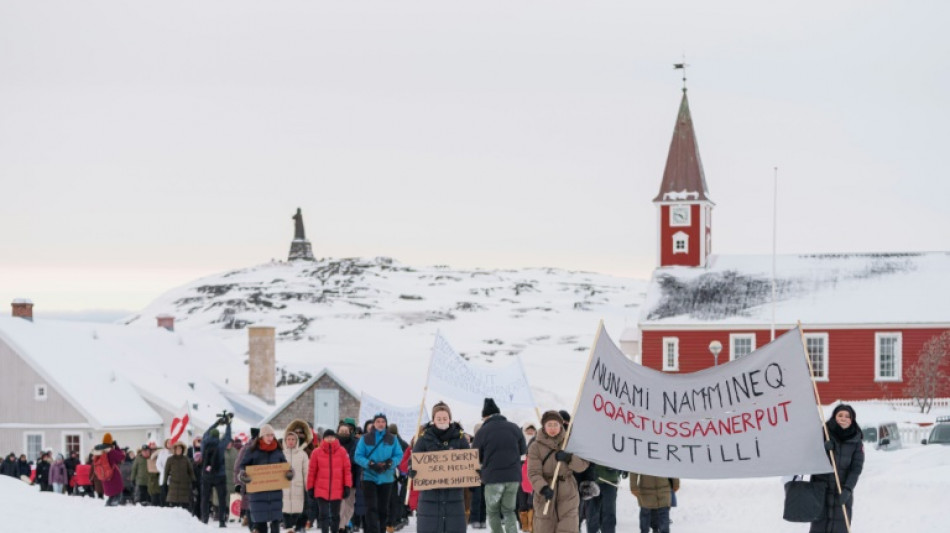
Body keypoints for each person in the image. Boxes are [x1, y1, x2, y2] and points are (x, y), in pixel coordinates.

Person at [409, 401, 469, 533]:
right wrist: (412, 469)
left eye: (445, 418)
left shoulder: (460, 438)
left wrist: (474, 471)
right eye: (439, 418)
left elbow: (469, 461)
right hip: (429, 497)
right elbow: (413, 460)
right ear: (433, 420)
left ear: (450, 418)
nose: (442, 421)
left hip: (454, 497)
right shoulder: (424, 439)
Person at [527, 410, 589, 533]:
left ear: (561, 426)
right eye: (549, 425)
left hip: (568, 493)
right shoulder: (535, 446)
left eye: (555, 425)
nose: (553, 428)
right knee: (545, 527)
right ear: (544, 426)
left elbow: (582, 465)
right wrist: (543, 488)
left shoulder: (570, 443)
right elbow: (534, 473)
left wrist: (569, 458)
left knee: (568, 528)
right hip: (545, 495)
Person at [472, 398, 527, 533]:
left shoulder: (483, 431)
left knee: (493, 512)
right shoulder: (514, 427)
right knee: (509, 511)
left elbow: (475, 455)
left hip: (492, 478)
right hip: (513, 477)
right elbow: (523, 450)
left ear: (485, 417)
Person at [810, 404, 865, 533]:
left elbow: (856, 468)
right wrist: (822, 448)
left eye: (847, 416)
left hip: (842, 493)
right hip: (822, 491)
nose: (843, 418)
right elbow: (811, 457)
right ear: (834, 417)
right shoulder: (824, 433)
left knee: (840, 528)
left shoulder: (856, 441)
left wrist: (848, 489)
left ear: (852, 419)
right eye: (840, 415)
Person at [353, 413, 404, 533]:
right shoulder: (365, 438)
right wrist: (370, 464)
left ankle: (381, 530)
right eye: (378, 421)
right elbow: (358, 456)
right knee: (371, 507)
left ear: (386, 424)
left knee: (383, 508)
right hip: (369, 477)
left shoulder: (392, 438)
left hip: (386, 477)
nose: (380, 424)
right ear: (374, 424)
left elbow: (399, 455)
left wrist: (390, 463)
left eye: (383, 422)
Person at [239, 423, 288, 533]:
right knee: (261, 523)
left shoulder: (278, 451)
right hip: (258, 494)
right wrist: (244, 475)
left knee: (275, 523)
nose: (270, 438)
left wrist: (289, 473)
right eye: (268, 435)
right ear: (262, 436)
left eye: (272, 435)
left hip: (275, 493)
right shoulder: (252, 451)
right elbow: (242, 466)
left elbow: (285, 467)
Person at [308, 429, 353, 533]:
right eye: (327, 437)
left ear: (335, 438)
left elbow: (347, 470)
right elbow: (312, 472)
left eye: (332, 437)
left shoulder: (342, 451)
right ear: (323, 439)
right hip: (321, 488)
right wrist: (310, 487)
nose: (329, 439)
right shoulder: (316, 452)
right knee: (323, 514)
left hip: (337, 488)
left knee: (335, 515)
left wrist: (347, 486)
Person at [201, 414, 234, 526]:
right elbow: (228, 437)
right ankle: (222, 521)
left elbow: (206, 432)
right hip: (220, 475)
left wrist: (216, 423)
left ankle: (204, 519)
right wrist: (228, 424)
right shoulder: (220, 445)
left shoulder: (204, 443)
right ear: (218, 436)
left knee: (205, 498)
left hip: (206, 475)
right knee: (221, 498)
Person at [283, 419, 314, 533]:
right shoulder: (282, 454)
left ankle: (300, 527)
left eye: (301, 433)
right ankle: (288, 527)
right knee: (286, 508)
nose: (291, 441)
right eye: (289, 439)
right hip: (285, 486)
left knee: (301, 508)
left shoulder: (304, 453)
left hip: (299, 485)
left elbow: (307, 471)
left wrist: (309, 486)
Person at [337, 418, 362, 533]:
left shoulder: (356, 443)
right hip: (337, 479)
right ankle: (340, 526)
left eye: (346, 431)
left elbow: (357, 461)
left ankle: (345, 523)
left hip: (351, 477)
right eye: (342, 431)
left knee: (350, 504)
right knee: (340, 504)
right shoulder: (333, 443)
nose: (344, 433)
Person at [585, 463, 622, 533]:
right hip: (592, 478)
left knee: (609, 514)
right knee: (592, 514)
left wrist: (621, 468)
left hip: (610, 480)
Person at [97, 433, 127, 506]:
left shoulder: (100, 452)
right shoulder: (111, 451)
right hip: (113, 477)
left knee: (111, 496)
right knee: (116, 495)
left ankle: (108, 506)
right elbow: (122, 456)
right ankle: (113, 510)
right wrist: (116, 447)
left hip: (105, 476)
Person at [164, 441, 196, 510]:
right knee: (174, 506)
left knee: (184, 506)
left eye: (180, 449)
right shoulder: (170, 459)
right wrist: (164, 483)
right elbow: (166, 472)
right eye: (177, 449)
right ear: (174, 450)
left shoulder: (186, 459)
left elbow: (191, 471)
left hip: (184, 485)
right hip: (173, 485)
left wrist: (193, 480)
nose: (179, 450)